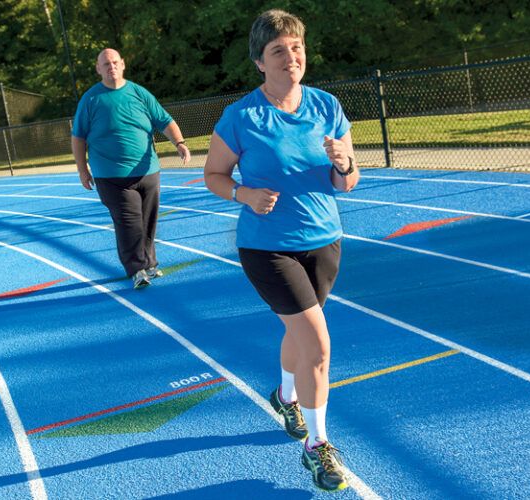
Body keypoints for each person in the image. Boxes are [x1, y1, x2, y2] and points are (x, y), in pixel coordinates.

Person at [203, 10, 359, 492]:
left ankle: (285, 397)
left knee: (299, 333)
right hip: (268, 248)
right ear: (259, 61)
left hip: (324, 241)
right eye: (279, 51)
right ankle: (317, 448)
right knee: (317, 344)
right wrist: (243, 195)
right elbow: (214, 175)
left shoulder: (327, 105)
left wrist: (343, 163)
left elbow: (348, 182)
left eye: (297, 48)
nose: (291, 57)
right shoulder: (242, 116)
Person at [71, 48, 191, 289]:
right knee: (129, 221)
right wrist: (83, 169)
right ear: (98, 69)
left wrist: (180, 143)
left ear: (123, 64)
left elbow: (164, 120)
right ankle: (136, 269)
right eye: (105, 64)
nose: (111, 67)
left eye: (115, 62)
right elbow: (78, 137)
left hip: (148, 171)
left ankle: (150, 263)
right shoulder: (91, 99)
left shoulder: (139, 93)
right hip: (111, 176)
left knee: (147, 220)